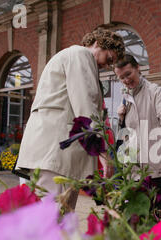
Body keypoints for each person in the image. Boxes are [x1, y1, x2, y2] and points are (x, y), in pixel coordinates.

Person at [16, 28, 125, 210]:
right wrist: (104, 154)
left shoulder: (68, 56)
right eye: (109, 59)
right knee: (55, 220)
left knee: (53, 219)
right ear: (99, 44)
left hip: (49, 152)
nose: (107, 66)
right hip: (56, 154)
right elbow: (86, 108)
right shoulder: (81, 55)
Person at [114, 54, 161, 209]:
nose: (126, 80)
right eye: (121, 78)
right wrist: (121, 118)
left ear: (137, 68)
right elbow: (126, 135)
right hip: (133, 170)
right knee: (135, 218)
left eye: (128, 74)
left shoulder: (154, 92)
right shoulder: (125, 97)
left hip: (156, 169)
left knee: (155, 214)